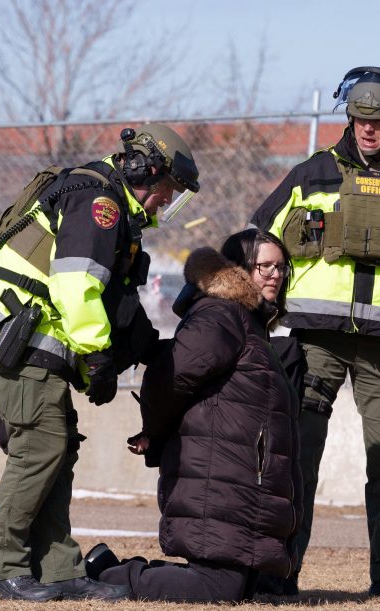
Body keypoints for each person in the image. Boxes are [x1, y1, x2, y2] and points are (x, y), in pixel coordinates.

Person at [249, 66, 380, 598]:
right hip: (313, 342)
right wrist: (251, 317)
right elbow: (259, 244)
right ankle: (281, 573)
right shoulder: (310, 175)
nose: (367, 129)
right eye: (359, 118)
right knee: (296, 461)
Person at [0, 124, 200, 602]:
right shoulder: (99, 204)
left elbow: (116, 302)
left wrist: (144, 351)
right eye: (167, 192)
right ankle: (4, 568)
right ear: (145, 173)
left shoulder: (109, 207)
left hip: (29, 336)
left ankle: (58, 569)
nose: (164, 204)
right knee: (41, 448)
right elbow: (76, 287)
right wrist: (97, 357)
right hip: (14, 337)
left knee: (58, 448)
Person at [84, 228, 302, 602]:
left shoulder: (250, 322)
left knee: (243, 587)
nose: (275, 275)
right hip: (216, 473)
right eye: (264, 265)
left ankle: (108, 566)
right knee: (217, 587)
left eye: (281, 267)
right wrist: (154, 430)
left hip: (237, 477)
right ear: (238, 269)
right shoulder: (222, 314)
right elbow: (171, 374)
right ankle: (105, 575)